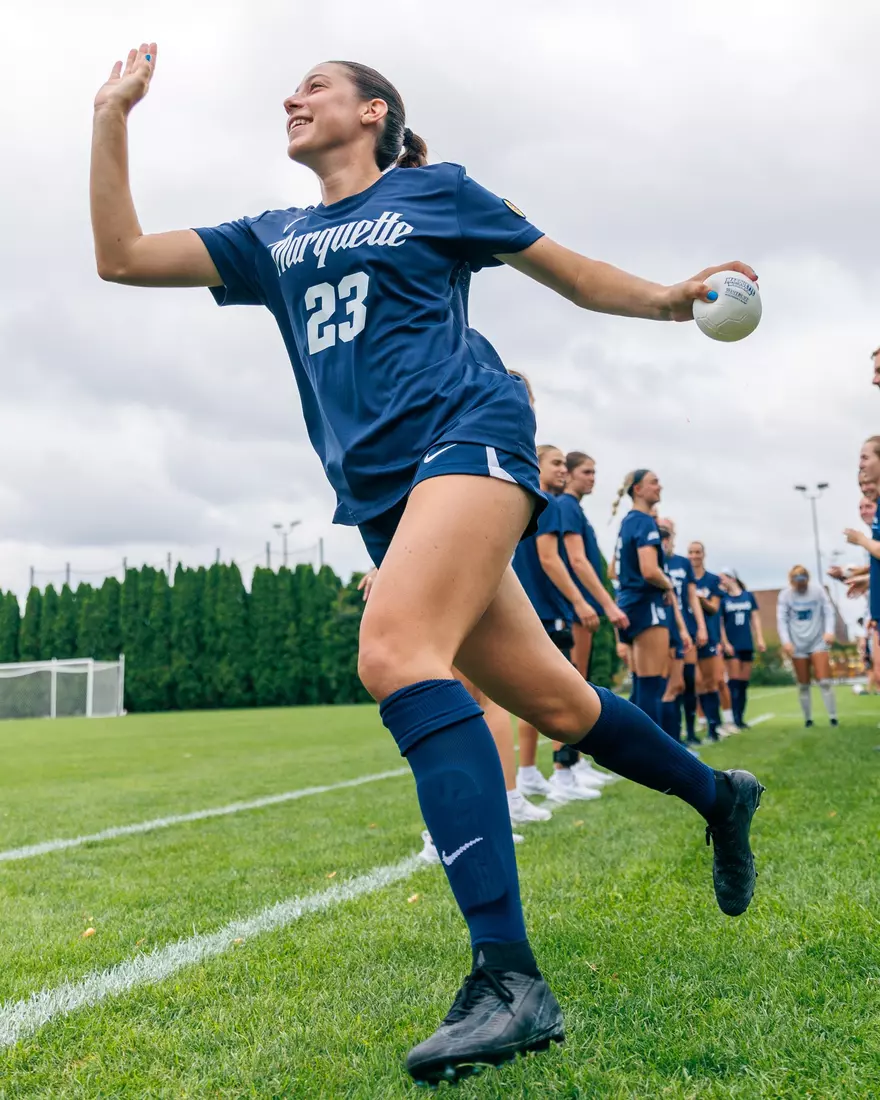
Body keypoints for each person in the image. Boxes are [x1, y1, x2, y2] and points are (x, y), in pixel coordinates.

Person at [91, 48, 764, 1085]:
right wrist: (110, 116)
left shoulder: (432, 192)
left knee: (398, 651)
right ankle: (717, 794)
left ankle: (508, 979)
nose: (293, 97)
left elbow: (571, 273)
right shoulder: (272, 237)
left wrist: (670, 299)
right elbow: (124, 256)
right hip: (385, 497)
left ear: (374, 112)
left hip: (472, 433)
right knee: (559, 698)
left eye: (316, 85)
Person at [513, 446, 602, 805]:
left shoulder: (524, 500)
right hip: (548, 610)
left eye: (566, 464)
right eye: (557, 463)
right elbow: (550, 560)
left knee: (533, 696)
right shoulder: (546, 503)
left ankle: (530, 772)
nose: (563, 470)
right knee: (559, 694)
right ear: (537, 466)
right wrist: (579, 601)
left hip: (531, 609)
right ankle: (563, 771)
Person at [556, 451, 627, 786]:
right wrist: (605, 605)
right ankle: (565, 768)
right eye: (587, 471)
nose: (593, 478)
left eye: (595, 472)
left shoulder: (575, 509)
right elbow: (578, 562)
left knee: (578, 684)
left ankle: (576, 762)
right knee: (571, 686)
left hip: (577, 607)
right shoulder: (566, 507)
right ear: (569, 474)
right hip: (571, 609)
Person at [610, 471, 674, 727]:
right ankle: (651, 760)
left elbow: (612, 570)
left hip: (628, 603)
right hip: (646, 606)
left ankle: (635, 753)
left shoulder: (627, 521)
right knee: (652, 685)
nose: (660, 486)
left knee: (641, 685)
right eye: (654, 482)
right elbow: (649, 570)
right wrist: (667, 585)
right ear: (637, 489)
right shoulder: (645, 522)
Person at [663, 519, 708, 746]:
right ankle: (670, 734)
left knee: (689, 681)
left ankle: (689, 731)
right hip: (663, 625)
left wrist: (700, 626)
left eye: (668, 533)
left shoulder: (682, 563)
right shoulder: (652, 559)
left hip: (685, 627)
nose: (666, 538)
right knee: (669, 682)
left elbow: (692, 597)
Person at [776, 566, 838, 727]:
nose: (801, 585)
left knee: (824, 681)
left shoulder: (818, 591)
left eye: (803, 581)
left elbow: (828, 611)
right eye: (797, 581)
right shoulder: (785, 595)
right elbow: (781, 620)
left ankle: (833, 717)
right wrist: (786, 642)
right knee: (803, 684)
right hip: (798, 644)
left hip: (817, 640)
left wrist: (829, 631)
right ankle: (808, 719)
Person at [718, 569, 766, 729]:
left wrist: (759, 638)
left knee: (743, 683)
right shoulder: (723, 599)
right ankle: (733, 717)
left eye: (723, 579)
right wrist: (725, 642)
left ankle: (740, 718)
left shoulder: (747, 596)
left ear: (732, 578)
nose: (721, 582)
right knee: (734, 682)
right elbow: (720, 623)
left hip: (746, 643)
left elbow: (755, 618)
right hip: (732, 645)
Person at [688, 542, 725, 741]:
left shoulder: (713, 580)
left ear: (704, 554)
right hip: (689, 634)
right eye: (691, 552)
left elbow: (715, 608)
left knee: (711, 682)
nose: (694, 556)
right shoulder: (684, 577)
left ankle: (714, 726)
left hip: (708, 634)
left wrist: (700, 600)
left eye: (698, 552)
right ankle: (698, 726)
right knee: (696, 683)